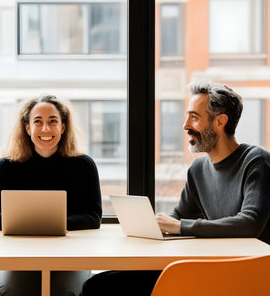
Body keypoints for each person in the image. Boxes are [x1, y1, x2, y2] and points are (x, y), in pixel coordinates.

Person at [81, 82, 270, 295]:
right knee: (98, 285)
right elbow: (178, 218)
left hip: (246, 273)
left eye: (194, 117)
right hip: (208, 265)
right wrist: (153, 228)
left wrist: (179, 226)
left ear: (220, 122)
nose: (185, 125)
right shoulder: (198, 169)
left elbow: (250, 223)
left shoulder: (256, 161)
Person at [0, 95, 102, 296]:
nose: (45, 129)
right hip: (20, 253)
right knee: (12, 291)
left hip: (70, 253)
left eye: (53, 122)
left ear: (63, 127)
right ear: (27, 127)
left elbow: (93, 217)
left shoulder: (84, 165)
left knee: (63, 292)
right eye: (38, 122)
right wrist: (21, 224)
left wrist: (54, 224)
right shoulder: (6, 167)